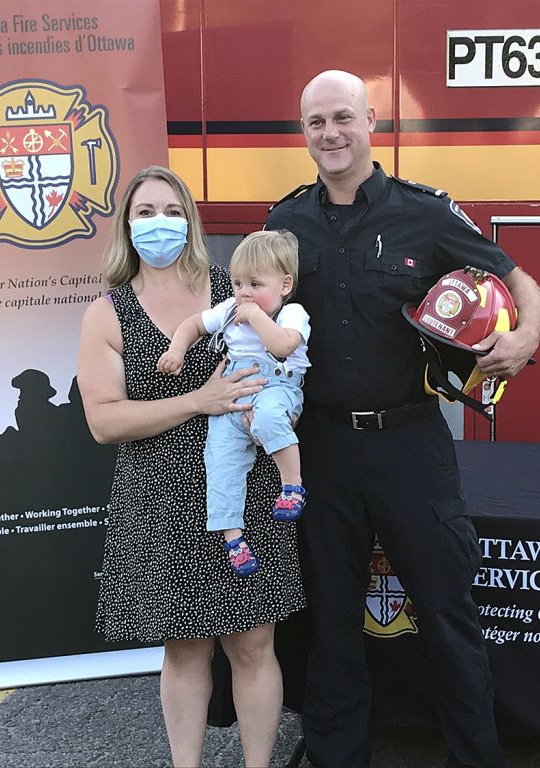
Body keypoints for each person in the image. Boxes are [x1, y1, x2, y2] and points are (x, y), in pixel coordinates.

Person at [265, 70, 540, 768]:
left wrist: (525, 337)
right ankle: (337, 757)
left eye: (342, 118)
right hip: (321, 445)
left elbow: (518, 282)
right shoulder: (284, 223)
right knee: (331, 622)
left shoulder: (425, 213)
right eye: (315, 123)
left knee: (447, 614)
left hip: (411, 443)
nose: (330, 134)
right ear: (304, 134)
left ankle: (476, 758)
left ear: (371, 122)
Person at [77, 166, 306, 768]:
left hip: (243, 488)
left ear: (191, 220)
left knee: (254, 644)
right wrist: (196, 402)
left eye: (171, 210)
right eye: (145, 212)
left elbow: (284, 354)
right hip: (159, 496)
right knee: (183, 650)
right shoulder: (108, 313)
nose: (160, 223)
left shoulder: (232, 290)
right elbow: (103, 423)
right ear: (127, 226)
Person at [158, 230, 311, 577]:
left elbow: (283, 347)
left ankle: (292, 485)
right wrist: (177, 349)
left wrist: (256, 317)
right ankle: (233, 538)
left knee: (270, 417)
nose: (244, 292)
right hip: (234, 391)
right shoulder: (231, 308)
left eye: (255, 283)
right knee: (221, 458)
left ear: (284, 285)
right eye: (238, 282)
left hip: (276, 384)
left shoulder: (292, 313)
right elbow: (194, 324)